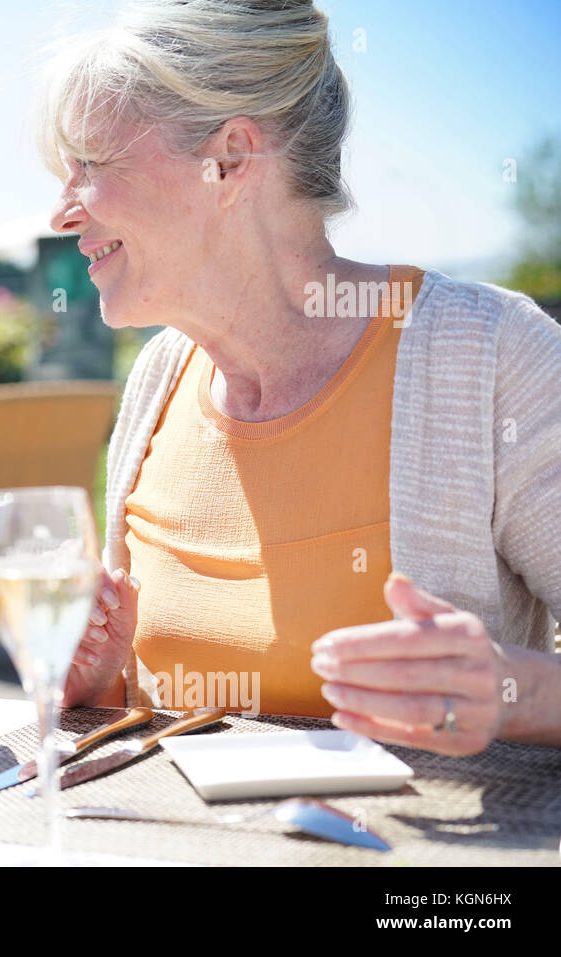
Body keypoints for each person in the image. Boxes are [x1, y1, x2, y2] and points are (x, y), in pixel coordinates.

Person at [51, 0, 561, 755]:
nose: (63, 210)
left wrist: (514, 692)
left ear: (227, 159)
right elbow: (165, 729)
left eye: (91, 163)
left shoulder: (490, 356)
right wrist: (103, 684)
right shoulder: (158, 381)